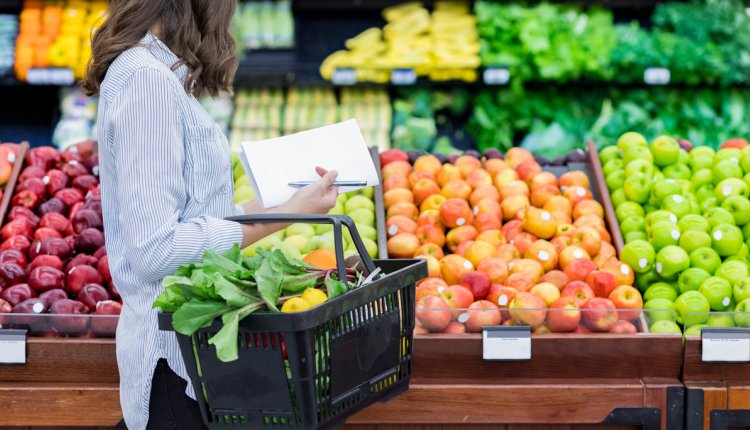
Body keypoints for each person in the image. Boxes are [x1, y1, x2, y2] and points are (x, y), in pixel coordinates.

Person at [81, 1, 338, 428]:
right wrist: (285, 215)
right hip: (172, 363)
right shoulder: (147, 81)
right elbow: (156, 250)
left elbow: (198, 215)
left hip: (196, 359)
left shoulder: (156, 74)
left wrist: (292, 204)